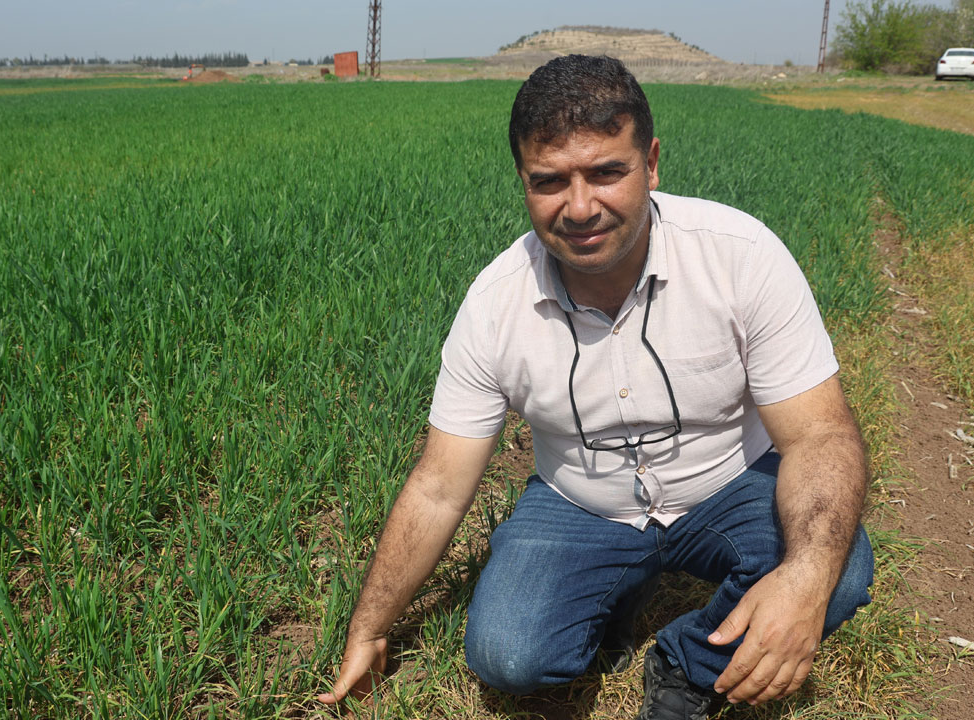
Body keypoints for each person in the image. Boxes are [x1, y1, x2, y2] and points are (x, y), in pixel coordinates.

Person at [318, 55, 874, 720]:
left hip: (727, 479)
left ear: (652, 164)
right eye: (549, 182)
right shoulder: (497, 305)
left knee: (834, 578)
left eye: (607, 172)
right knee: (508, 657)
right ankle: (619, 583)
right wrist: (370, 626)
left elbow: (819, 433)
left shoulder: (741, 256)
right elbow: (438, 485)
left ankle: (686, 662)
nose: (580, 208)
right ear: (523, 182)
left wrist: (805, 579)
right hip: (581, 499)